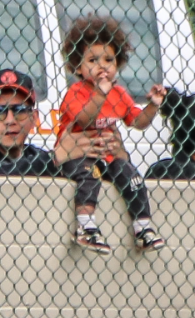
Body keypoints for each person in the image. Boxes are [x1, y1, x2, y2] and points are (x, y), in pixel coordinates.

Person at [55, 15, 168, 253]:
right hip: (79, 157)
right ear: (78, 65)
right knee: (89, 176)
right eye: (93, 60)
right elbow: (84, 119)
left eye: (109, 59)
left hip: (108, 155)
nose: (102, 66)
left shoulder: (118, 93)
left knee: (132, 176)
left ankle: (143, 228)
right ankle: (86, 228)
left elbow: (137, 122)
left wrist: (153, 105)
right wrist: (99, 93)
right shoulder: (76, 92)